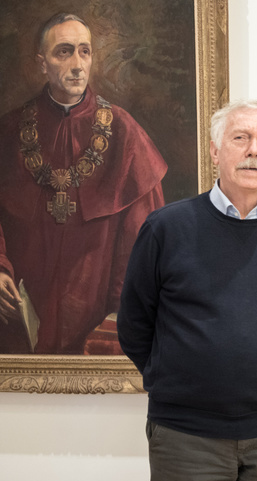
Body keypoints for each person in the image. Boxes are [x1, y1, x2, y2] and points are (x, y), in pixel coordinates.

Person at [117, 99, 257, 481]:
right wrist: (175, 380)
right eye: (240, 138)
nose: (254, 150)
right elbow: (134, 324)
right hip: (186, 436)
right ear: (214, 151)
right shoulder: (166, 228)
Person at [0, 12, 167, 353]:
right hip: (17, 307)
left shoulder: (124, 131)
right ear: (41, 63)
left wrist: (122, 310)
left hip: (96, 307)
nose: (77, 65)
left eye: (84, 51)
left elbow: (143, 233)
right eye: (64, 52)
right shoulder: (8, 130)